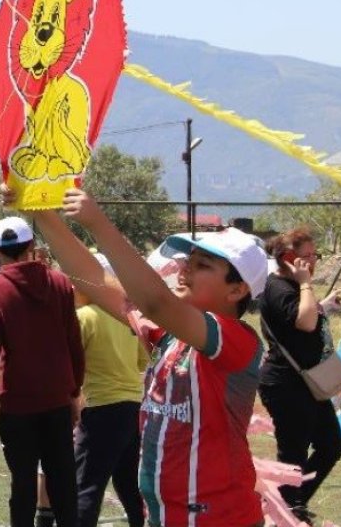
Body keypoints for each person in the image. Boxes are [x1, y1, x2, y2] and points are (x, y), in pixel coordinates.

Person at [27, 187, 267, 527]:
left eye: (202, 265)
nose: (184, 269)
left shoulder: (236, 338)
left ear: (237, 290)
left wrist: (98, 223)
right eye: (187, 260)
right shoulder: (170, 334)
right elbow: (95, 280)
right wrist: (41, 212)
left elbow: (156, 302)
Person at [0, 217, 84, 527]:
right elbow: (74, 342)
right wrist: (74, 391)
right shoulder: (59, 283)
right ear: (32, 246)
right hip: (57, 400)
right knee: (63, 483)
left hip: (18, 404)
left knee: (22, 485)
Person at [257, 229, 341, 523]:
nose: (313, 261)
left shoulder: (293, 286)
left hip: (307, 382)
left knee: (332, 444)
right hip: (285, 384)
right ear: (287, 259)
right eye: (306, 256)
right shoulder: (279, 287)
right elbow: (305, 323)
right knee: (293, 454)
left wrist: (324, 303)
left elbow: (304, 317)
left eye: (313, 255)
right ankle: (288, 510)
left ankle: (289, 504)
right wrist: (307, 285)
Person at [68, 253, 148, 527]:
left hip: (101, 408)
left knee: (86, 485)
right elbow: (141, 360)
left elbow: (70, 363)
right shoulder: (128, 319)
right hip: (132, 408)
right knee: (129, 484)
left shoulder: (83, 318)